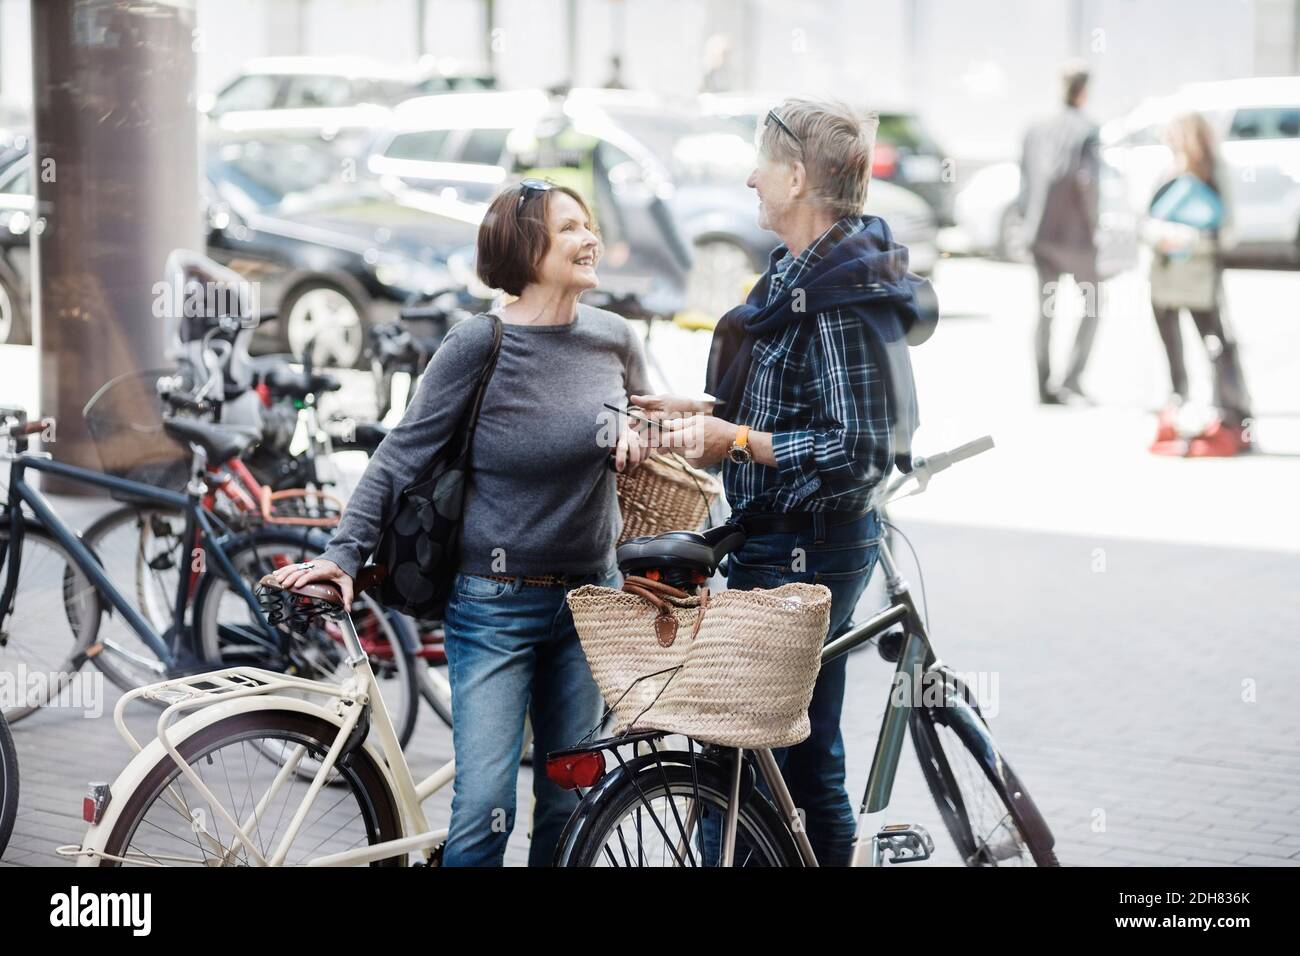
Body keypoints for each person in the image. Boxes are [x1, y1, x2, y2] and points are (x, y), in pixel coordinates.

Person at [269, 180, 651, 866]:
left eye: (588, 224)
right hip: (496, 606)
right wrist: (343, 556)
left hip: (593, 600)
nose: (590, 238)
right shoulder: (480, 343)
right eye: (570, 229)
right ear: (525, 247)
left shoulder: (614, 339)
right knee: (484, 809)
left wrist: (636, 426)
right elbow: (398, 456)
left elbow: (648, 412)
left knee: (570, 801)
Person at [636, 98, 934, 866]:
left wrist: (732, 438)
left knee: (736, 760)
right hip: (785, 544)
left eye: (761, 164)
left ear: (798, 177)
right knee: (804, 756)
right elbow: (793, 397)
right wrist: (708, 413)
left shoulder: (841, 292)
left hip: (808, 548)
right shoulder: (810, 269)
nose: (748, 180)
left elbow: (860, 448)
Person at [1145, 112, 1253, 457]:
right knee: (1172, 353)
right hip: (1164, 280)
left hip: (1200, 281)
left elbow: (1229, 231)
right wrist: (1161, 235)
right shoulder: (1165, 171)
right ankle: (1179, 409)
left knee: (1217, 347)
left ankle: (1233, 415)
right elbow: (1145, 220)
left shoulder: (1215, 174)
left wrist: (1193, 240)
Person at [1018, 62, 1102, 405]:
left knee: (1045, 310)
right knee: (1095, 303)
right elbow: (1088, 183)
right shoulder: (1088, 130)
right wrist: (1096, 227)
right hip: (1077, 239)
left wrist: (1025, 226)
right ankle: (1071, 379)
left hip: (1040, 235)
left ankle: (1043, 386)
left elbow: (1024, 181)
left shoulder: (1035, 128)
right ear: (1083, 92)